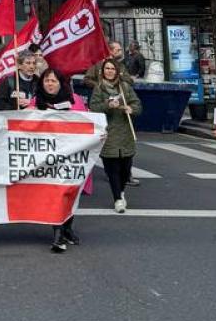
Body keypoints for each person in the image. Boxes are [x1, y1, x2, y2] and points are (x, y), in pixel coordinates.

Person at [33, 69, 80, 252]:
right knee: (55, 194)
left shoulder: (73, 102)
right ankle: (58, 235)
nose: (50, 84)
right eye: (47, 80)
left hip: (68, 155)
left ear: (60, 83)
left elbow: (88, 124)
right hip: (45, 159)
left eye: (53, 80)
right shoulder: (35, 103)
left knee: (68, 192)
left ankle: (67, 228)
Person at [89, 59, 142, 210]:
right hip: (108, 133)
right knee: (112, 170)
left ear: (117, 71)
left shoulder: (125, 87)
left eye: (112, 68)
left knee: (125, 169)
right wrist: (107, 105)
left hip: (125, 133)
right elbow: (93, 108)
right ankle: (117, 199)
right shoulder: (99, 89)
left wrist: (131, 109)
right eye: (107, 68)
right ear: (103, 71)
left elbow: (137, 105)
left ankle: (121, 190)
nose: (110, 71)